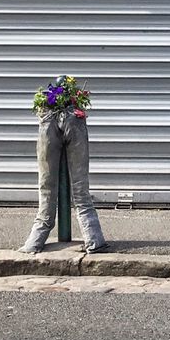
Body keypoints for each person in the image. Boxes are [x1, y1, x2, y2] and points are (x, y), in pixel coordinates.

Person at [18, 76, 110, 254]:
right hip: (72, 120)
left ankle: (39, 235)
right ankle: (94, 238)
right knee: (79, 185)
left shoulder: (46, 110)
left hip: (50, 119)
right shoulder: (74, 110)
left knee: (47, 184)